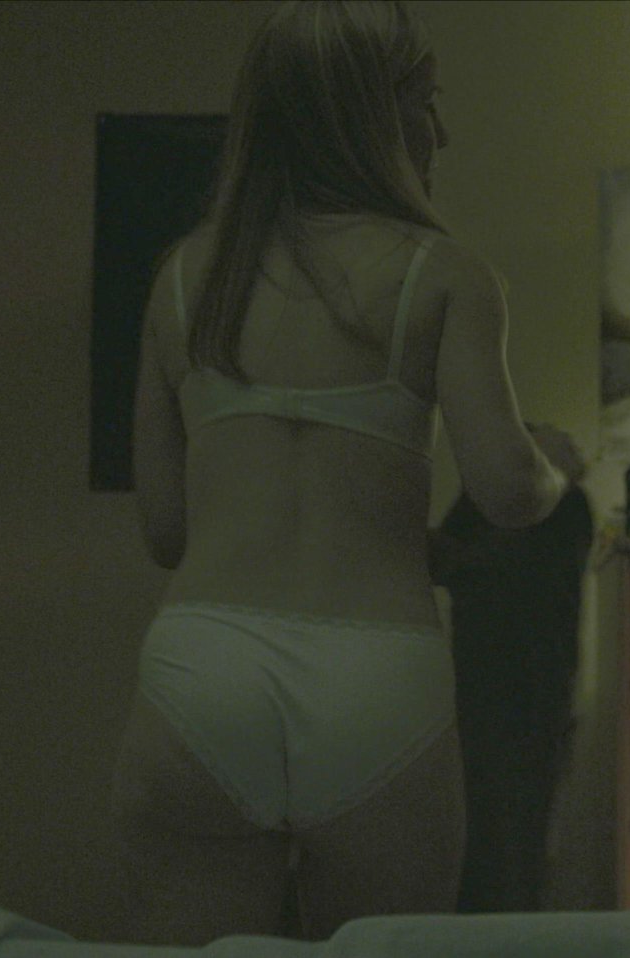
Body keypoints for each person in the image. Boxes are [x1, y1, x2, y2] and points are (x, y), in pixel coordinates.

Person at [112, 1, 574, 944]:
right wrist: (557, 468)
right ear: (370, 116)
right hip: (373, 678)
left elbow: (166, 532)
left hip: (206, 668)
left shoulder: (184, 279)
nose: (440, 131)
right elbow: (509, 493)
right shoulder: (442, 274)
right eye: (425, 101)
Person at [429, 478, 592, 913]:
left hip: (506, 699)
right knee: (510, 844)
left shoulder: (539, 504)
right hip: (524, 699)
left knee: (500, 843)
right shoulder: (557, 503)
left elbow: (446, 558)